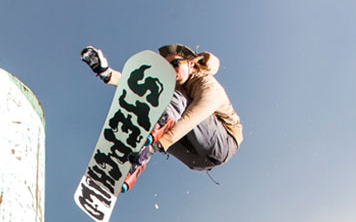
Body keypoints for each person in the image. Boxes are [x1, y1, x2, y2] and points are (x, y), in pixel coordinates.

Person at [80, 43, 243, 191]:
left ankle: (150, 142)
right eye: (167, 67)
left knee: (171, 100)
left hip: (223, 143)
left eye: (175, 64)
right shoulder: (173, 88)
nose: (171, 71)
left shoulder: (207, 84)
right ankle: (129, 166)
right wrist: (107, 73)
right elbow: (137, 89)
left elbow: (196, 115)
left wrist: (156, 146)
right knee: (153, 102)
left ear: (190, 64)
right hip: (197, 160)